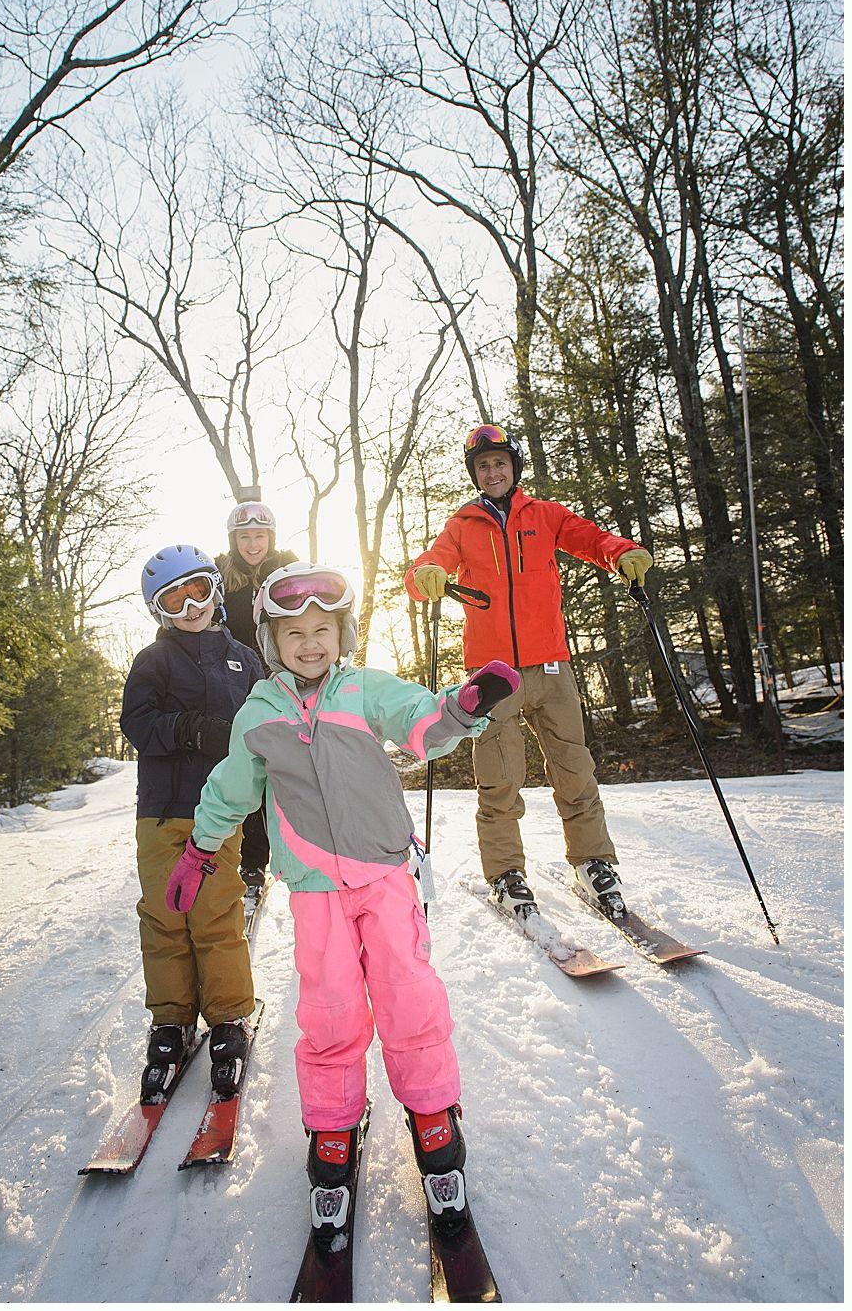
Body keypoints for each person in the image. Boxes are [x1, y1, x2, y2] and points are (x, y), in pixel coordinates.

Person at [164, 561, 519, 1240]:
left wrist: (461, 708)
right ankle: (332, 1126)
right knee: (328, 1012)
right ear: (273, 643)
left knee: (408, 998)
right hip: (315, 894)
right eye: (294, 633)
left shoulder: (363, 691)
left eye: (322, 630)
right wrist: (202, 847)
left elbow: (421, 721)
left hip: (384, 877)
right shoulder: (259, 713)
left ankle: (432, 1115)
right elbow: (232, 788)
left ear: (341, 633)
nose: (309, 643)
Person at [404, 423, 654, 920]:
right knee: (499, 778)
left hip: (553, 664)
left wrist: (623, 552)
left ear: (513, 467)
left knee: (574, 769)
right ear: (475, 474)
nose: (492, 472)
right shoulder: (463, 524)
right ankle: (505, 873)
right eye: (483, 466)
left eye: (499, 463)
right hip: (492, 674)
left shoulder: (544, 514)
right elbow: (432, 562)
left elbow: (591, 539)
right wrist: (423, 576)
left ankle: (594, 862)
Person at [120, 544, 264, 1105]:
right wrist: (189, 729)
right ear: (159, 612)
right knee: (163, 915)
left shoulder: (243, 659)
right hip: (160, 809)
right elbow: (137, 721)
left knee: (216, 910)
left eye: (199, 591)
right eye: (174, 601)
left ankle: (228, 1017)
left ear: (214, 591)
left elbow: (262, 720)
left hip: (218, 811)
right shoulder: (153, 662)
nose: (191, 607)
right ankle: (172, 1021)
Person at [215, 501, 298, 902]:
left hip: (281, 680)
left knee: (286, 771)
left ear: (271, 537)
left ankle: (299, 848)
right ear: (234, 540)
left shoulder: (288, 569)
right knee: (246, 770)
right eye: (244, 537)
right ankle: (251, 862)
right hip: (236, 684)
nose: (253, 544)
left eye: (260, 536)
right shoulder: (219, 576)